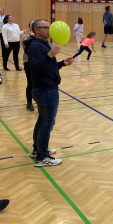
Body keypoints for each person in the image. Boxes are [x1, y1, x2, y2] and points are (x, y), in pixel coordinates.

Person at [25, 19, 73, 167]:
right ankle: (42, 157)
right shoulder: (35, 46)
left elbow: (48, 67)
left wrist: (62, 63)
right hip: (45, 90)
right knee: (47, 123)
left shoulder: (42, 44)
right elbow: (33, 67)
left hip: (46, 87)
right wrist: (49, 55)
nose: (48, 30)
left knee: (42, 120)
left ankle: (38, 150)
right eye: (45, 27)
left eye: (49, 27)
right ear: (36, 30)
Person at [21, 21, 35, 111]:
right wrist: (31, 37)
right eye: (32, 24)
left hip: (40, 61)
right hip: (28, 61)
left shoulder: (41, 37)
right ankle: (29, 103)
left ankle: (40, 101)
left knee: (38, 82)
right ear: (29, 26)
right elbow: (26, 47)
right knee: (30, 82)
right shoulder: (25, 36)